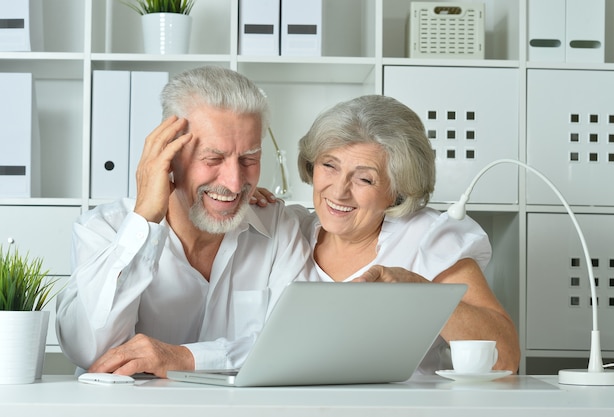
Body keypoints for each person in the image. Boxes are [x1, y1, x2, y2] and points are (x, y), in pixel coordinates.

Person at [55, 66, 314, 378]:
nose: (234, 184)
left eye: (249, 159)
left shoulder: (278, 228)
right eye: (212, 159)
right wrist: (145, 221)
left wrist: (183, 358)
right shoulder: (103, 230)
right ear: (168, 155)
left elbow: (298, 347)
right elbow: (91, 351)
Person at [273, 94, 520, 373]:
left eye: (365, 179)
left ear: (398, 191)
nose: (339, 190)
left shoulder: (429, 239)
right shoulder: (289, 231)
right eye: (329, 165)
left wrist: (420, 294)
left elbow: (505, 357)